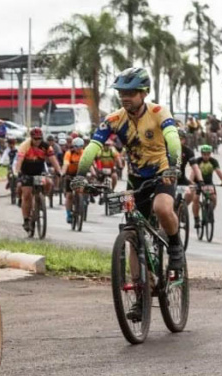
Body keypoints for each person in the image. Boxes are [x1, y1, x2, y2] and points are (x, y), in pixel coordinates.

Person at [75, 67, 184, 277]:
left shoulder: (158, 112)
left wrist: (174, 166)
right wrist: (80, 175)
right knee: (133, 232)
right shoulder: (114, 119)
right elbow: (93, 146)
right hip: (136, 177)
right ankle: (140, 287)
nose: (125, 97)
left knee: (162, 208)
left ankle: (175, 244)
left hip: (162, 171)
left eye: (131, 93)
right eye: (122, 93)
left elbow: (173, 139)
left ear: (144, 93)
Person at [14, 127, 61, 232]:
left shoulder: (46, 146)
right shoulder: (25, 145)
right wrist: (17, 171)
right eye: (35, 139)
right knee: (27, 195)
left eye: (39, 138)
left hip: (38, 173)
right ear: (31, 138)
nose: (37, 141)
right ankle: (26, 220)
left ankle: (41, 199)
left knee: (49, 182)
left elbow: (53, 159)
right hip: (26, 173)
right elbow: (20, 160)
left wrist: (59, 171)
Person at [190, 144, 222, 227]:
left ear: (210, 154)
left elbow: (218, 172)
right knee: (195, 199)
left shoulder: (213, 161)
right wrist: (191, 182)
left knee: (214, 198)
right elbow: (193, 172)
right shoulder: (198, 161)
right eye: (204, 154)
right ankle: (196, 219)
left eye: (208, 154)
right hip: (198, 183)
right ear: (201, 154)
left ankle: (209, 212)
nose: (206, 156)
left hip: (208, 183)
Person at [61, 137, 91, 223]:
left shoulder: (84, 153)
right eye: (77, 146)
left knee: (85, 186)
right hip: (70, 175)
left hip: (80, 174)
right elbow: (66, 164)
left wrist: (93, 173)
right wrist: (63, 173)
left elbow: (89, 164)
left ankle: (83, 200)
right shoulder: (68, 153)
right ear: (73, 146)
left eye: (81, 146)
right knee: (69, 195)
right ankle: (68, 214)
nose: (79, 148)